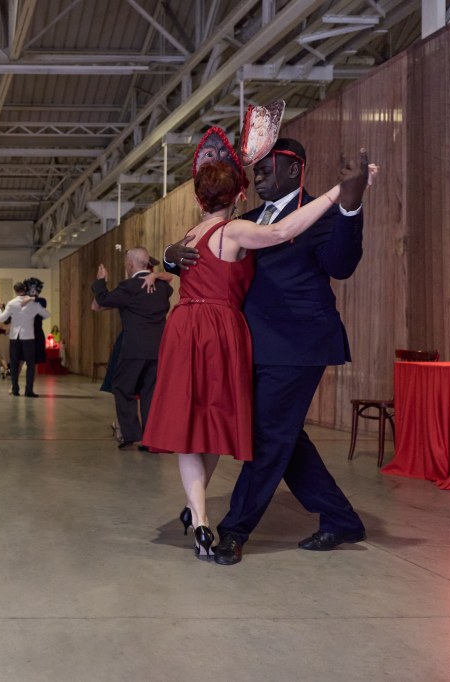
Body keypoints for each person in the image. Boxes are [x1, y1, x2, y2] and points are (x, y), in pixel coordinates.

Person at [143, 129, 376, 560]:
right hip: (252, 344)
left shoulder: (316, 214)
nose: (259, 179)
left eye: (267, 170)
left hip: (298, 343)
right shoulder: (245, 218)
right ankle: (341, 518)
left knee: (268, 433)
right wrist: (171, 255)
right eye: (256, 172)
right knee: (283, 435)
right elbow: (208, 257)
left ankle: (234, 529)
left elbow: (341, 265)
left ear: (294, 169)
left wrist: (350, 203)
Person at [92, 247, 173, 451]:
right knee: (149, 392)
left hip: (134, 348)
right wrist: (156, 275)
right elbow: (170, 284)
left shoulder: (129, 287)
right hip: (158, 348)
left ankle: (131, 433)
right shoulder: (163, 288)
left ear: (130, 264)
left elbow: (102, 301)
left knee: (122, 388)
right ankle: (150, 439)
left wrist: (101, 281)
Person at [0, 282, 50, 397]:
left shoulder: (11, 303)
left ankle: (15, 389)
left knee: (15, 364)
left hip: (14, 337)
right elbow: (47, 315)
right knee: (31, 364)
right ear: (25, 289)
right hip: (28, 336)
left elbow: (1, 318)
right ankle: (28, 390)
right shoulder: (33, 304)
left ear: (15, 291)